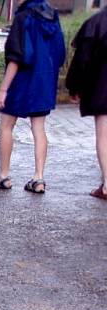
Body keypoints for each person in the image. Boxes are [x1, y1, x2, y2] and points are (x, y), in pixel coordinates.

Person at [0, 0, 66, 194]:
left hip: (21, 81)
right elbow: (60, 53)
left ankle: (3, 176)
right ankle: (39, 178)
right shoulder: (53, 16)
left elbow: (16, 56)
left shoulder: (23, 17)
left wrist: (3, 89)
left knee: (6, 125)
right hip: (44, 80)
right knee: (38, 127)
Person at [65, 7, 107, 200]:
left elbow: (82, 60)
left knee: (104, 136)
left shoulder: (95, 23)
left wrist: (74, 87)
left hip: (103, 90)